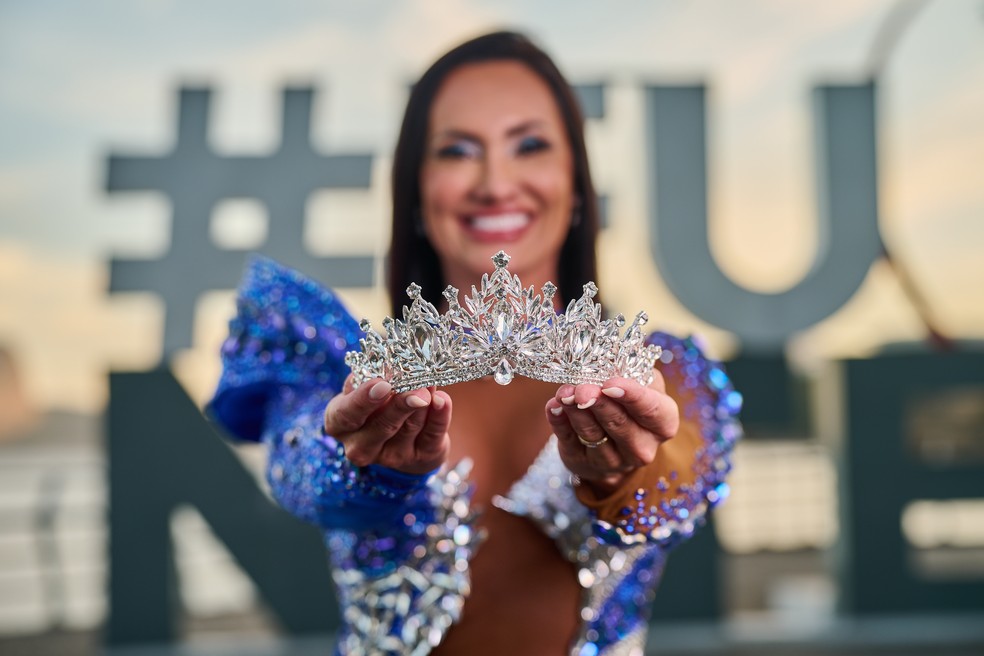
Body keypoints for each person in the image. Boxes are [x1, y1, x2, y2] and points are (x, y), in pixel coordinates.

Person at [208, 31, 741, 656]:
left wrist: (624, 474)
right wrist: (361, 464)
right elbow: (301, 470)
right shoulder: (341, 373)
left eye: (530, 145)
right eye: (458, 151)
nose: (494, 181)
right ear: (415, 192)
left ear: (576, 188)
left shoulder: (657, 378)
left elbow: (680, 481)